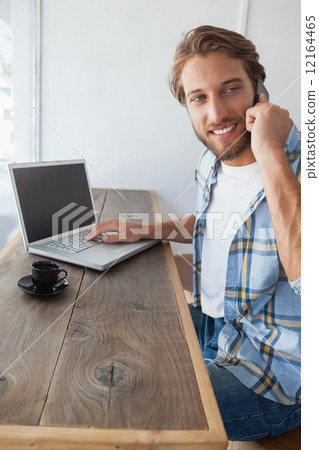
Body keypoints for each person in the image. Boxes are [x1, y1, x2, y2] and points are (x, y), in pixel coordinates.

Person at [85, 26, 301, 441]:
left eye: (231, 89)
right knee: (111, 343)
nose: (216, 114)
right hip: (216, 326)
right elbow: (221, 225)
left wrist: (270, 152)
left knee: (124, 414)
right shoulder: (212, 160)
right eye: (198, 98)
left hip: (277, 376)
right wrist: (143, 227)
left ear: (260, 88)